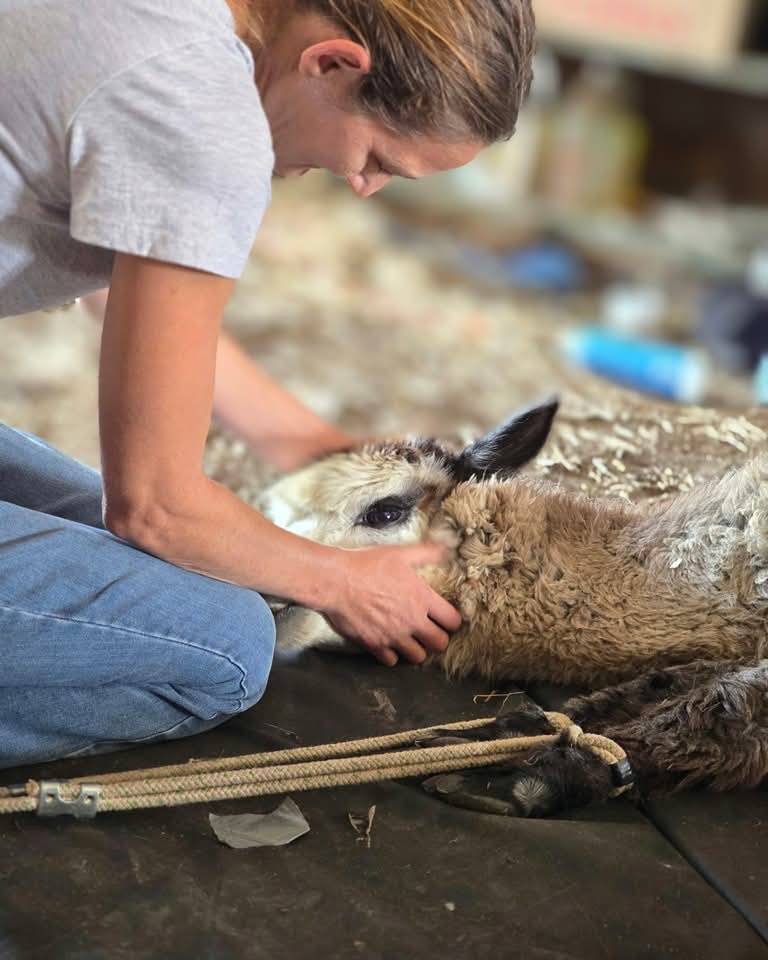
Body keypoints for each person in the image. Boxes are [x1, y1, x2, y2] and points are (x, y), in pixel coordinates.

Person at [0, 0, 536, 767]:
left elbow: (124, 285)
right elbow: (154, 505)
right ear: (332, 63)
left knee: (161, 567)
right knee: (226, 643)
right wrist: (345, 583)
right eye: (380, 158)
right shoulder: (204, 111)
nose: (363, 186)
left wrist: (315, 448)